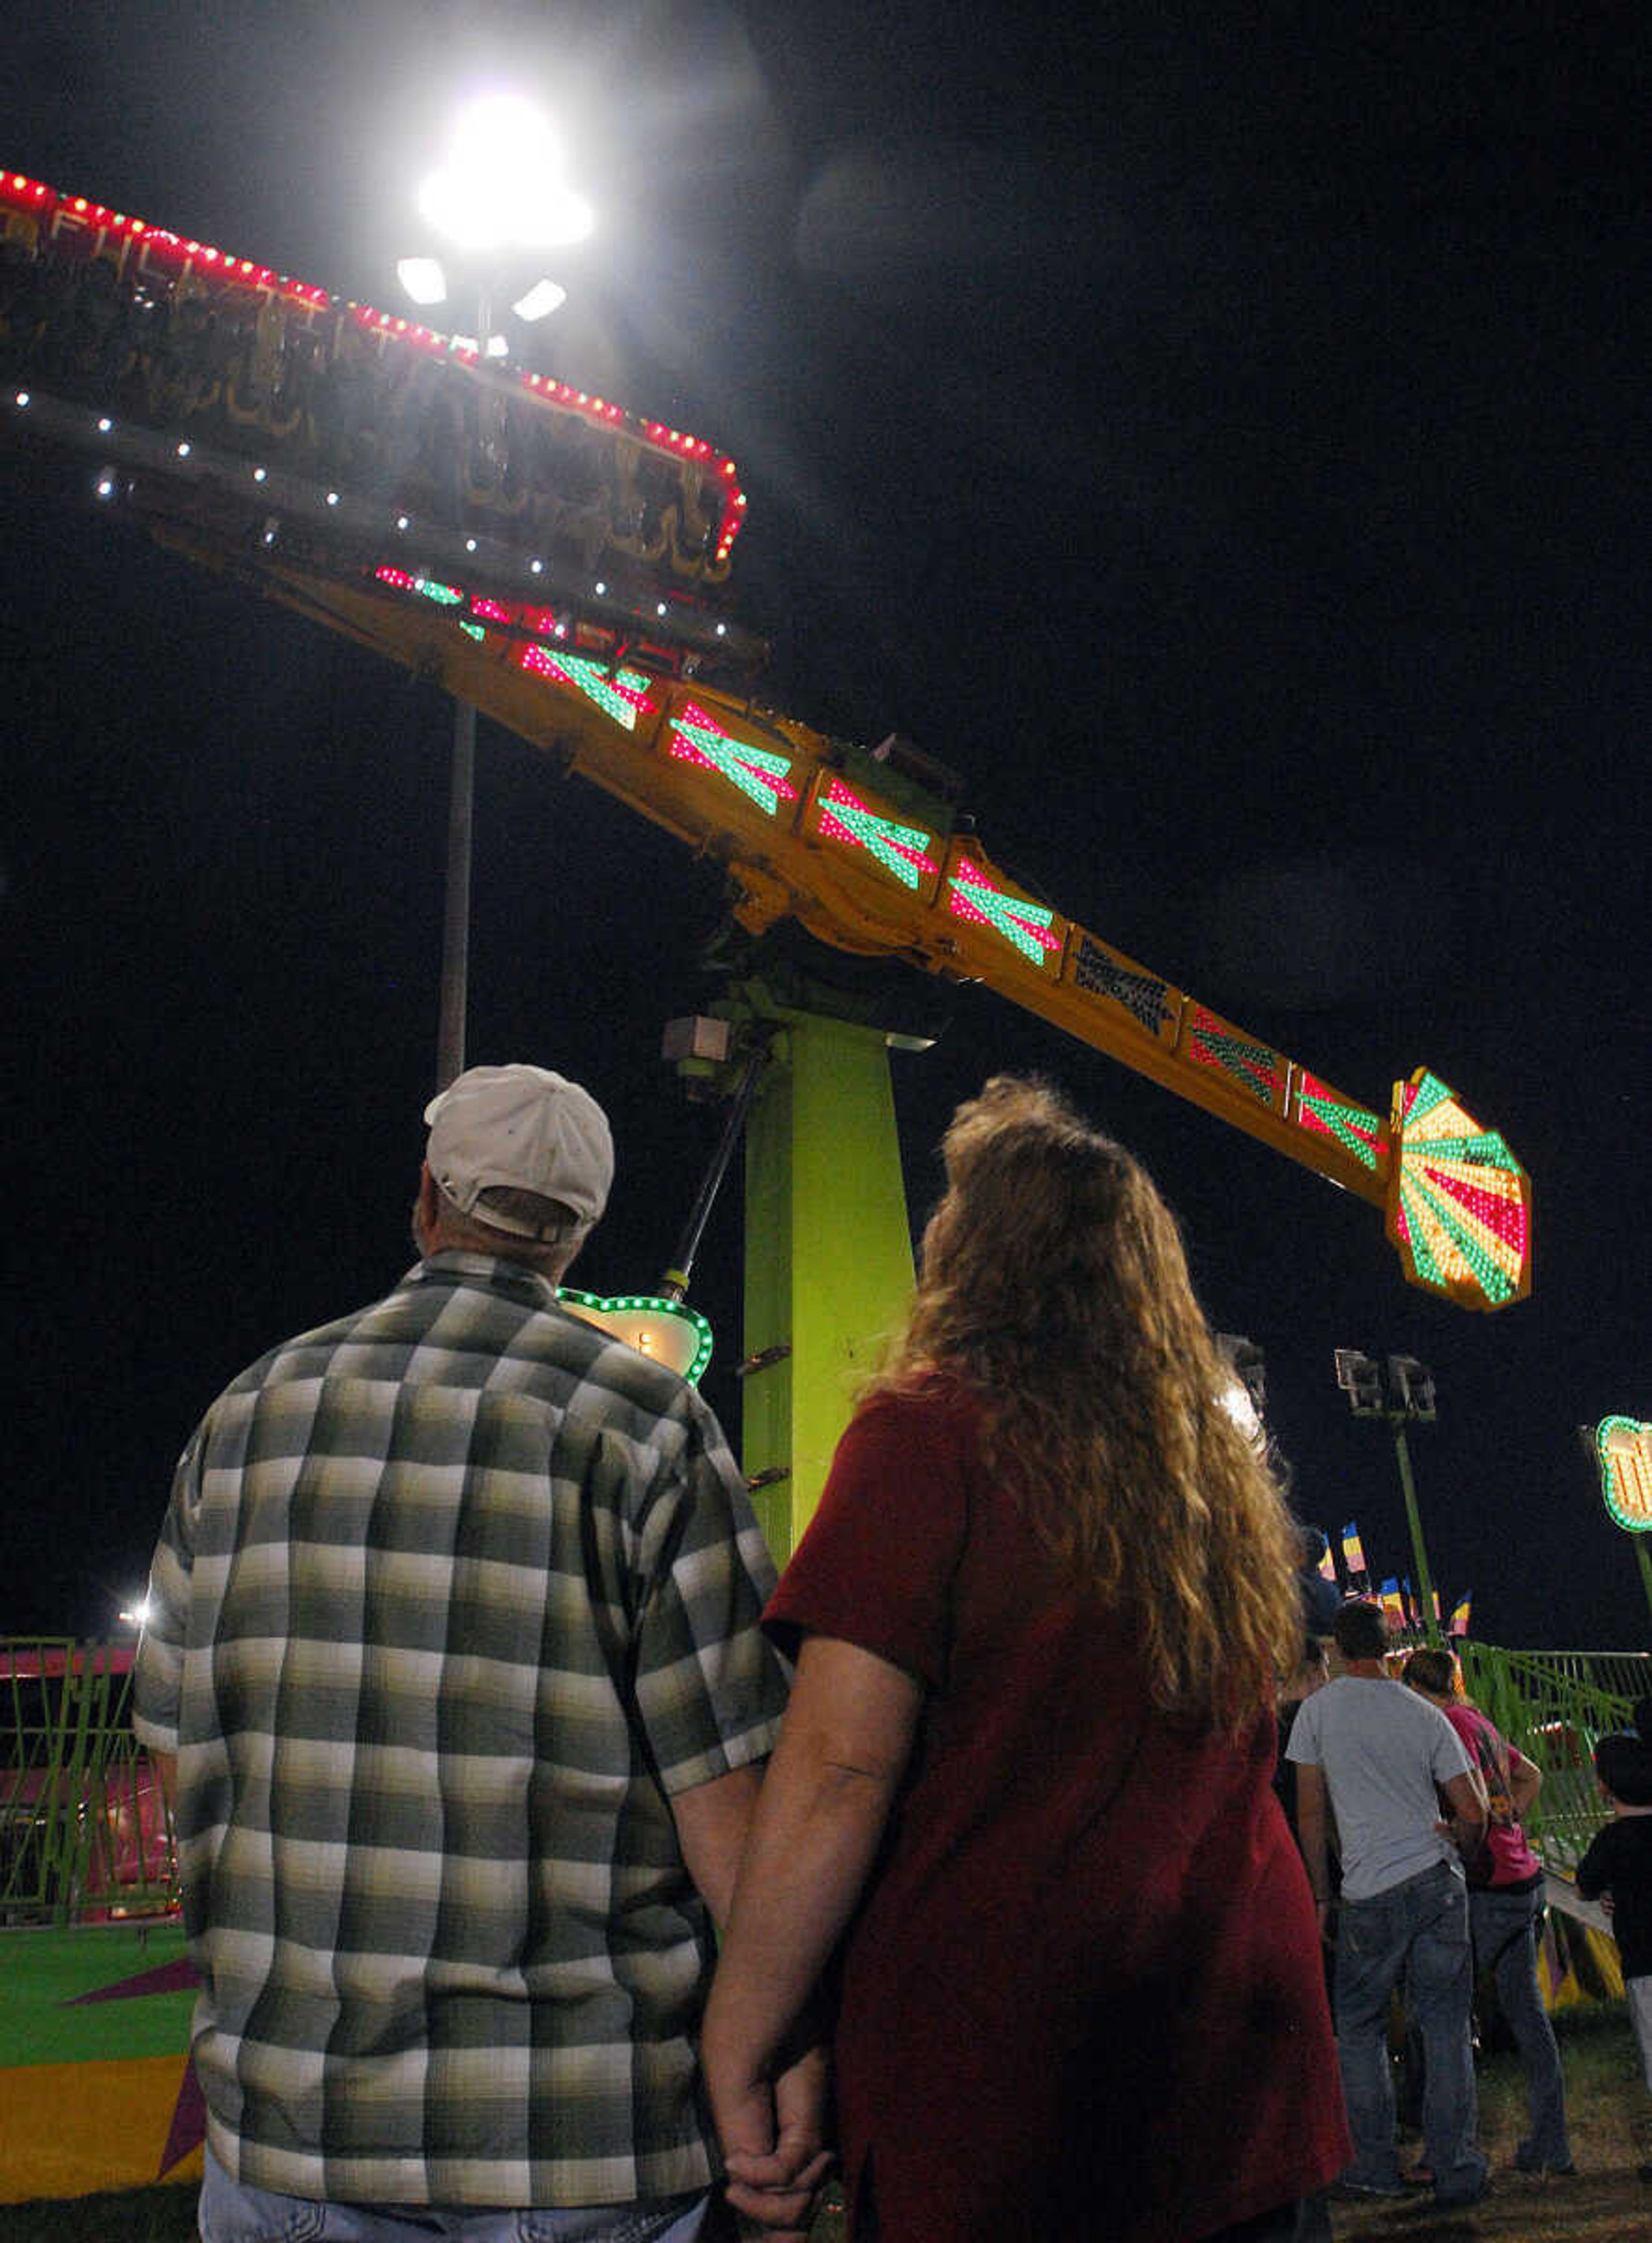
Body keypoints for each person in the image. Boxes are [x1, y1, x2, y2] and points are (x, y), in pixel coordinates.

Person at [133, 1064, 822, 2243]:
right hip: (579, 2139)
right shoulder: (645, 1423)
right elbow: (729, 1805)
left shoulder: (249, 1413)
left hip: (297, 2130)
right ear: (580, 1229)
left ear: (426, 1196)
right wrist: (783, 2054)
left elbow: (178, 1757)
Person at [700, 1074, 1350, 2243]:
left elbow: (841, 1767)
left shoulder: (925, 1434)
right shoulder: (1214, 1482)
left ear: (968, 1257)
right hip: (1240, 2057)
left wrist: (743, 2029)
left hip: (1016, 2069)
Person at [1287, 1598, 1489, 2208]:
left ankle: (1374, 2166)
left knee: (1360, 2030)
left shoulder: (1316, 1713)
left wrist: (1321, 1893)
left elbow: (1311, 1812)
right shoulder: (1423, 1713)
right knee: (1447, 2028)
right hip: (1434, 1880)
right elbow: (1473, 1811)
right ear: (1386, 1645)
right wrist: (1463, 1845)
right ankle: (1456, 2167)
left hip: (1368, 1890)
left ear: (1338, 1650)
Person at [1402, 1645, 1573, 2175]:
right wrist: (1509, 1820)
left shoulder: (1447, 1722)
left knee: (1439, 2013)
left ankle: (1446, 2151)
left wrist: (1468, 1833)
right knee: (1529, 2016)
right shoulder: (1479, 1719)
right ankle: (1552, 2142)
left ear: (1415, 1687)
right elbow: (1532, 1776)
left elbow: (1470, 1799)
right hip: (1524, 1879)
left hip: (1487, 1886)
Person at [1575, 1725, 1652, 2183]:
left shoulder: (1614, 1839)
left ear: (1605, 1784)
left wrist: (1609, 1890)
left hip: (1645, 1962)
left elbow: (1584, 1885)